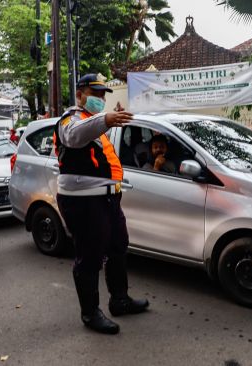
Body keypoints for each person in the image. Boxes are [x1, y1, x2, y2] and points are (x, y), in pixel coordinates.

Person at [54, 73, 148, 335]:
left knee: (118, 246)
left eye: (102, 95)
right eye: (95, 94)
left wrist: (104, 121)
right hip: (83, 202)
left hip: (107, 198)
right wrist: (104, 119)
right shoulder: (71, 119)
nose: (100, 99)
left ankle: (120, 300)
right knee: (90, 256)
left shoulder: (94, 123)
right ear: (80, 94)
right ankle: (90, 313)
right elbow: (73, 137)